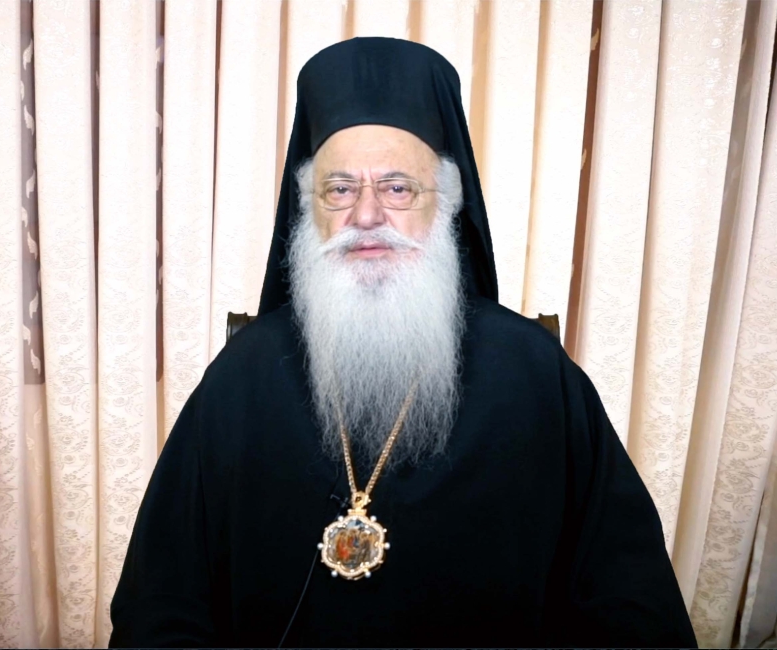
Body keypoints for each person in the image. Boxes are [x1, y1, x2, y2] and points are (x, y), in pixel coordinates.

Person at [109, 37, 697, 648]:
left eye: (397, 189)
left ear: (446, 204)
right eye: (339, 189)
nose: (366, 216)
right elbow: (163, 597)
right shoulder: (244, 374)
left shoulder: (534, 373)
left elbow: (628, 596)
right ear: (309, 210)